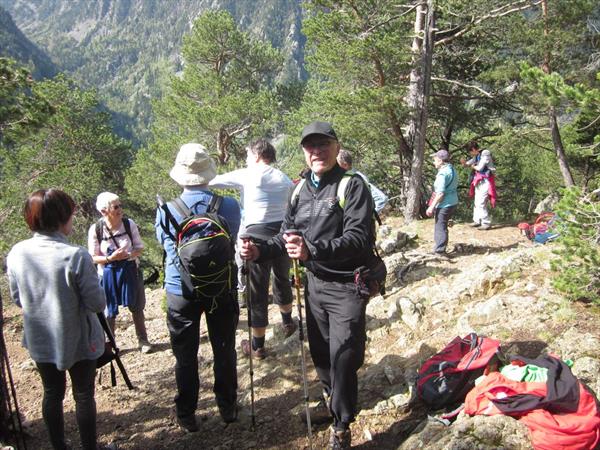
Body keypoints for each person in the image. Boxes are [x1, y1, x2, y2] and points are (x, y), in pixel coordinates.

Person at [240, 121, 377, 449]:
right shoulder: (299, 189)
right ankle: (333, 402)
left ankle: (342, 425)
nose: (317, 151)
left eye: (323, 145)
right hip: (314, 284)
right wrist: (259, 250)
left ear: (335, 145)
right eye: (310, 146)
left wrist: (312, 250)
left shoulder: (352, 186)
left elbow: (360, 238)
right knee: (321, 354)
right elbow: (286, 235)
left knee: (345, 354)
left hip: (348, 284)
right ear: (304, 151)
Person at [6, 189, 116, 450]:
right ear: (61, 218)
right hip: (79, 339)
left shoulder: (17, 253)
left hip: (41, 338)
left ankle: (59, 447)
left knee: (52, 393)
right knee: (83, 395)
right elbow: (97, 303)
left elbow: (17, 299)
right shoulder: (75, 255)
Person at [155, 143, 241, 433]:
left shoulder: (166, 211)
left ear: (180, 175)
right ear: (208, 173)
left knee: (185, 354)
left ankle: (187, 413)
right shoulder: (229, 206)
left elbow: (169, 250)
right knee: (225, 348)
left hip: (181, 290)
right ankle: (228, 407)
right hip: (222, 288)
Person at [209, 138, 296, 359]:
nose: (247, 159)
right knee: (282, 278)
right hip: (282, 234)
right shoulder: (284, 178)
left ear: (256, 155)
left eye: (248, 155)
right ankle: (287, 322)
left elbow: (213, 181)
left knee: (257, 290)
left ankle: (258, 345)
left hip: (255, 236)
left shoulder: (249, 173)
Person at [88, 192, 153, 354]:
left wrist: (128, 255)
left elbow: (139, 247)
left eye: (120, 205)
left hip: (130, 271)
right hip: (107, 275)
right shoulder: (96, 230)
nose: (120, 209)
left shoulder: (129, 224)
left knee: (137, 306)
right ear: (104, 211)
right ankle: (110, 345)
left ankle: (143, 340)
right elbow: (93, 257)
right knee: (109, 310)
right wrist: (111, 258)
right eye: (116, 207)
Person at [426, 150, 458, 255]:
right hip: (453, 201)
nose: (434, 162)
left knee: (440, 226)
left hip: (445, 204)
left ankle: (440, 251)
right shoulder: (452, 169)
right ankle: (441, 248)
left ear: (440, 160)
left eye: (435, 160)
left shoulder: (442, 174)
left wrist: (431, 207)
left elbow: (440, 194)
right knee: (443, 224)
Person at [336, 149, 389, 214]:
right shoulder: (340, 178)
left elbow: (381, 199)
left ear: (345, 165)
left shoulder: (358, 178)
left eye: (336, 163)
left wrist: (366, 219)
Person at [461, 140, 497, 230]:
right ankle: (477, 220)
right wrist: (464, 163)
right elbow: (469, 163)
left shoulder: (485, 153)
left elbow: (480, 167)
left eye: (470, 151)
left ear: (473, 149)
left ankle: (486, 222)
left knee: (481, 202)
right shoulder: (477, 155)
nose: (470, 154)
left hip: (486, 180)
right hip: (478, 180)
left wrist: (473, 166)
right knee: (477, 201)